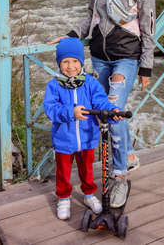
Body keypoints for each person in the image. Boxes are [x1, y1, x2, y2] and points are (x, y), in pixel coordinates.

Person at [50, 0, 156, 209]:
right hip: (98, 58)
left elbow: (148, 29)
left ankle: (119, 176)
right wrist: (72, 35)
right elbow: (91, 17)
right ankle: (129, 155)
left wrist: (146, 67)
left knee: (112, 111)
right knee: (102, 116)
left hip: (126, 58)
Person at [44, 37, 121, 220]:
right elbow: (51, 109)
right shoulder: (54, 85)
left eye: (75, 61)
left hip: (87, 137)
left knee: (87, 169)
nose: (70, 66)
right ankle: (63, 197)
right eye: (65, 62)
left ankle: (88, 194)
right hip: (64, 138)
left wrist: (112, 112)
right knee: (63, 171)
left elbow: (101, 101)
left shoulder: (90, 82)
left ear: (81, 62)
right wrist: (71, 112)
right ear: (59, 63)